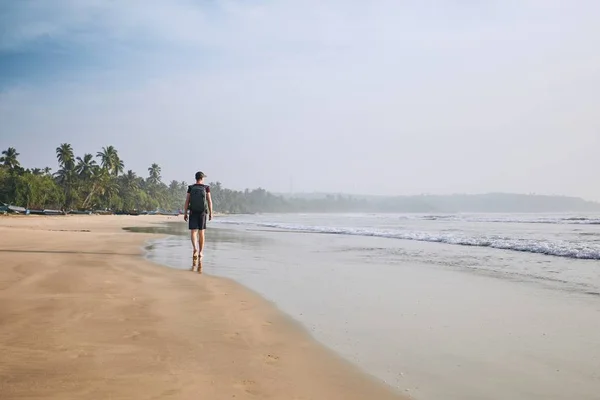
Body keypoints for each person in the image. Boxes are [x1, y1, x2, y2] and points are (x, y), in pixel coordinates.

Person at [183, 171, 213, 267]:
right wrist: (211, 213)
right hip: (202, 212)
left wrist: (185, 213)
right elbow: (209, 201)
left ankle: (195, 249)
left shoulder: (191, 188)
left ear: (196, 178)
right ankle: (200, 252)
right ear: (202, 178)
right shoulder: (206, 188)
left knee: (193, 232)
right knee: (201, 233)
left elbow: (187, 201)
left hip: (193, 212)